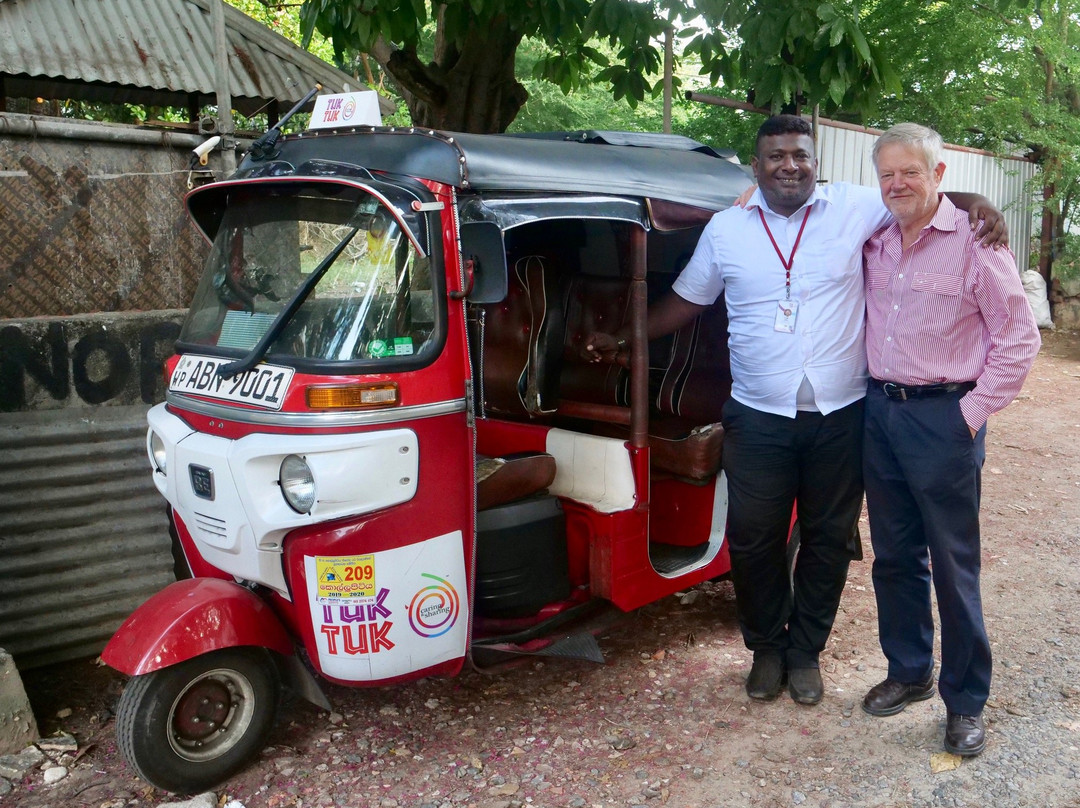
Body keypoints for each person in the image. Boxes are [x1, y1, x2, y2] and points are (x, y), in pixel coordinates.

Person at [584, 115, 1007, 706]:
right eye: (777, 156)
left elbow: (916, 196)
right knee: (754, 539)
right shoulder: (727, 229)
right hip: (757, 415)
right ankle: (766, 648)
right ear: (756, 168)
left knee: (829, 538)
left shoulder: (853, 208)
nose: (791, 165)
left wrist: (975, 199)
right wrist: (626, 341)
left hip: (844, 414)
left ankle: (806, 651)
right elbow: (687, 300)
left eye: (801, 155)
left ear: (816, 163)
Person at [859, 123, 1040, 755]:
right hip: (879, 414)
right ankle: (908, 671)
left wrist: (971, 413)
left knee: (954, 564)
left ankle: (965, 700)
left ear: (940, 176)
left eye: (912, 171)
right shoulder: (876, 238)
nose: (898, 183)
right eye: (888, 173)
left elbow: (1018, 338)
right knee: (894, 556)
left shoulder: (977, 243)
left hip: (944, 417)